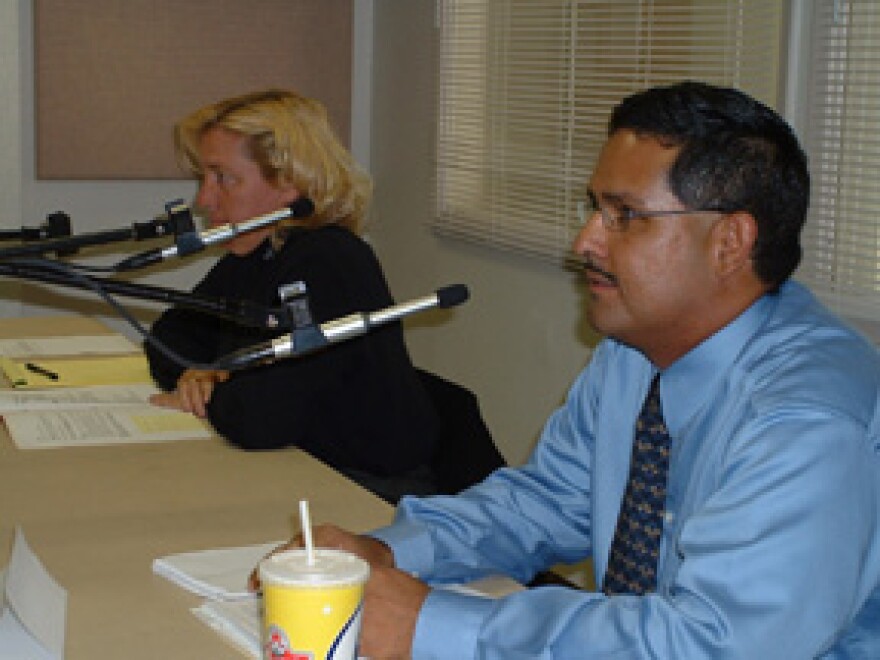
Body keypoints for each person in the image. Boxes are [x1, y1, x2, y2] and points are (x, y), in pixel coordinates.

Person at [256, 81, 880, 658]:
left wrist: (435, 625)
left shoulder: (807, 419)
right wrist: (391, 551)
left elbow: (717, 644)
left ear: (730, 244)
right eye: (594, 210)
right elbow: (550, 501)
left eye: (624, 216)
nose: (585, 243)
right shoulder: (637, 354)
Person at [145, 89, 440, 499]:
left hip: (365, 491)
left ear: (289, 183)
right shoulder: (258, 250)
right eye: (204, 179)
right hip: (296, 468)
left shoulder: (330, 261)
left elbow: (262, 419)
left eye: (223, 178)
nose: (203, 199)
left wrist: (214, 381)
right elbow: (168, 336)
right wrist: (201, 372)